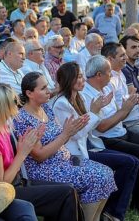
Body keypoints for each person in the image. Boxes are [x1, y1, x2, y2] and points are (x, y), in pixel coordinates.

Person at [14, 71, 116, 221]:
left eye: (47, 87)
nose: (49, 91)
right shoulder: (23, 118)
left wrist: (70, 130)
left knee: (106, 172)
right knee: (98, 177)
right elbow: (39, 156)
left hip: (65, 162)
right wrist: (65, 134)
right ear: (29, 93)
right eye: (43, 88)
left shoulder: (46, 109)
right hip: (45, 170)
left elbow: (60, 137)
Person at [0, 83, 84, 221]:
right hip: (5, 192)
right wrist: (23, 152)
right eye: (15, 101)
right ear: (3, 105)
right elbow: (1, 183)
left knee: (68, 191)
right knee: (66, 193)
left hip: (17, 183)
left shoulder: (2, 125)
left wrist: (30, 142)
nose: (19, 104)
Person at [53, 62, 139, 221]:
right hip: (75, 154)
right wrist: (94, 112)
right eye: (78, 77)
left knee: (131, 162)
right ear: (69, 79)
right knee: (128, 162)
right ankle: (112, 213)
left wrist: (95, 111)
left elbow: (85, 129)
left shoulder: (76, 97)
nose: (82, 80)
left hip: (90, 146)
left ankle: (111, 213)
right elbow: (75, 135)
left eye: (82, 76)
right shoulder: (61, 104)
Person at [82, 55, 139, 211]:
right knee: (133, 158)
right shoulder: (87, 95)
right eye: (109, 72)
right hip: (106, 139)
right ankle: (116, 208)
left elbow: (118, 113)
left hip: (120, 131)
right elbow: (101, 127)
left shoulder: (107, 87)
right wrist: (125, 110)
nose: (112, 74)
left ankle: (133, 201)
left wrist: (129, 105)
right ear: (99, 75)